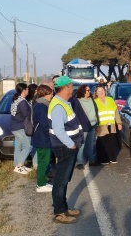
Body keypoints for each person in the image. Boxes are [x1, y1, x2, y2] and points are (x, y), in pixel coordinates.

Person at [48, 76, 84, 224]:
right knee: (61, 180)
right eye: (71, 86)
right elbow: (58, 129)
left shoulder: (63, 103)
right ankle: (59, 212)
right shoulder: (58, 105)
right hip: (65, 147)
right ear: (65, 88)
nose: (73, 89)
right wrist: (70, 144)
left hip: (68, 147)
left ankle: (64, 208)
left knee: (64, 179)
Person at [31, 84, 54, 192]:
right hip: (43, 138)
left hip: (41, 137)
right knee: (44, 161)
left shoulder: (40, 104)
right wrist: (52, 131)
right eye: (50, 93)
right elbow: (45, 124)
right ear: (45, 94)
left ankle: (42, 181)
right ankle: (41, 184)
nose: (51, 95)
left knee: (43, 161)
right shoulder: (41, 106)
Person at [71, 84, 98, 169]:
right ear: (83, 91)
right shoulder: (78, 101)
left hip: (93, 124)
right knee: (82, 144)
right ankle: (80, 161)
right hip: (84, 126)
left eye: (90, 90)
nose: (90, 92)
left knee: (91, 144)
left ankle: (92, 160)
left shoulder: (91, 100)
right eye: (88, 90)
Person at [93, 85, 121, 164]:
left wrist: (119, 123)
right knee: (101, 142)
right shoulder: (95, 101)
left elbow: (116, 112)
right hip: (101, 125)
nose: (101, 92)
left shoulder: (110, 99)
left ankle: (112, 158)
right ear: (96, 93)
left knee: (111, 142)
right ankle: (103, 159)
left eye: (102, 91)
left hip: (111, 124)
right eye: (99, 91)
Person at [10, 83, 32, 175]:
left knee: (18, 147)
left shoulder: (17, 100)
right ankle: (19, 166)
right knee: (28, 146)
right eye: (27, 89)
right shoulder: (22, 102)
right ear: (24, 90)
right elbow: (26, 115)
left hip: (14, 127)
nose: (28, 91)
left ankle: (18, 165)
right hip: (20, 127)